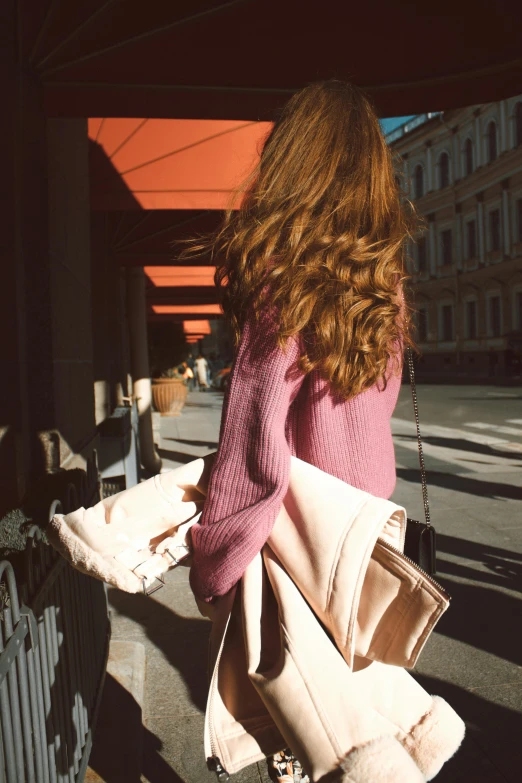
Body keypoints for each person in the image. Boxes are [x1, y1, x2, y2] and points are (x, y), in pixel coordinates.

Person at [185, 80, 416, 780]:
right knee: (353, 730)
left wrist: (213, 563)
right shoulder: (383, 285)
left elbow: (253, 452)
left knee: (305, 736)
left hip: (298, 550)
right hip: (368, 538)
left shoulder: (283, 280)